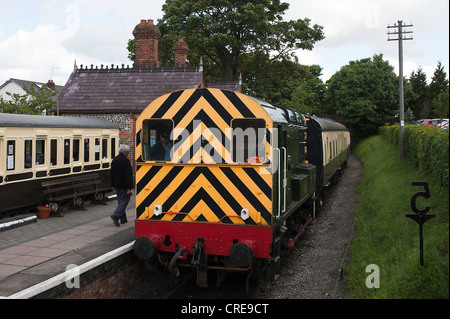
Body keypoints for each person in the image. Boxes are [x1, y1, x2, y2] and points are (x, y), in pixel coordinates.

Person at [110, 144, 133, 227]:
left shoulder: (115, 160)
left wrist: (112, 184)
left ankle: (123, 219)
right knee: (125, 201)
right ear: (126, 152)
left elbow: (112, 173)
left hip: (116, 184)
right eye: (128, 151)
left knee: (120, 201)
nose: (129, 152)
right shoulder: (126, 161)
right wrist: (129, 187)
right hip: (124, 185)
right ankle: (116, 216)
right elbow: (128, 175)